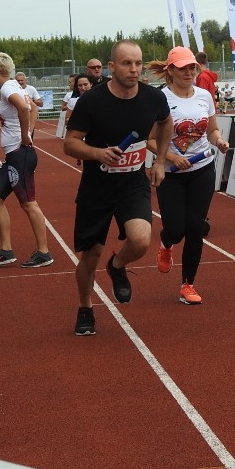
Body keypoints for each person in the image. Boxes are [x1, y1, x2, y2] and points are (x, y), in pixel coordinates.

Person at [64, 40, 172, 336]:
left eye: (138, 63)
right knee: (89, 256)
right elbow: (69, 142)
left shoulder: (152, 98)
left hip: (132, 184)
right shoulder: (92, 100)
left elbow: (165, 124)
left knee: (140, 240)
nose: (134, 69)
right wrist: (98, 153)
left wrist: (160, 162)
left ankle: (117, 265)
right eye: (127, 63)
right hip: (96, 188)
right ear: (112, 67)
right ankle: (85, 308)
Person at [143, 46, 230, 306]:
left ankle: (187, 284)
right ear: (170, 70)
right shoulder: (160, 98)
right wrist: (171, 157)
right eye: (183, 68)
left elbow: (212, 131)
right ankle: (167, 241)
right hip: (170, 173)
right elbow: (148, 140)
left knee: (195, 228)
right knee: (176, 229)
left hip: (202, 169)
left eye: (192, 67)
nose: (189, 72)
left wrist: (220, 141)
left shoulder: (204, 96)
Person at [0, 52, 53, 269]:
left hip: (19, 154)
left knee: (28, 203)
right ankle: (6, 250)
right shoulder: (15, 87)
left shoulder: (7, 88)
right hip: (13, 155)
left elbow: (25, 108)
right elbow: (31, 107)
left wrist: (26, 135)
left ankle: (44, 252)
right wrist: (28, 130)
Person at [14, 72, 42, 138]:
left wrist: (30, 101)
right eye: (18, 80)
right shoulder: (13, 89)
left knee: (29, 138)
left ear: (25, 80)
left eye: (22, 80)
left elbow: (40, 103)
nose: (20, 82)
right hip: (16, 119)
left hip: (28, 118)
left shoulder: (31, 89)